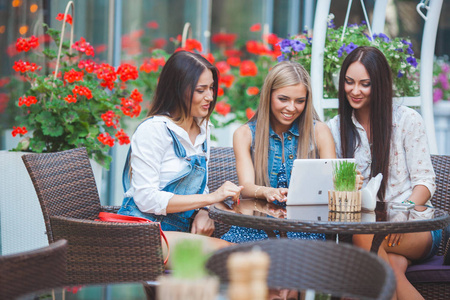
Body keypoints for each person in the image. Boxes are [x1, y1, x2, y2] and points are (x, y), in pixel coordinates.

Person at [327, 46, 440, 300]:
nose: (354, 91)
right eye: (349, 82)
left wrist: (401, 209)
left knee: (363, 235)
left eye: (364, 84)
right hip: (367, 233)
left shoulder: (407, 120)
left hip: (414, 227)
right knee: (390, 271)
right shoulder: (335, 128)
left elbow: (425, 182)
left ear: (379, 84)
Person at [118, 50, 242, 251]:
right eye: (200, 90)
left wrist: (204, 210)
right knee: (233, 254)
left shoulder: (203, 129)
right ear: (178, 90)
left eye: (211, 88)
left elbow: (201, 188)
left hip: (178, 233)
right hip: (144, 232)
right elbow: (146, 198)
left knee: (246, 249)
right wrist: (211, 199)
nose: (210, 96)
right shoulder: (154, 130)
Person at [221, 61, 337, 243]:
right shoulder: (244, 134)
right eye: (283, 99)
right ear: (268, 96)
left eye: (300, 101)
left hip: (305, 229)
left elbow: (332, 182)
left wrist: (347, 181)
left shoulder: (319, 131)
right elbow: (246, 187)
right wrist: (266, 191)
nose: (291, 108)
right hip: (255, 228)